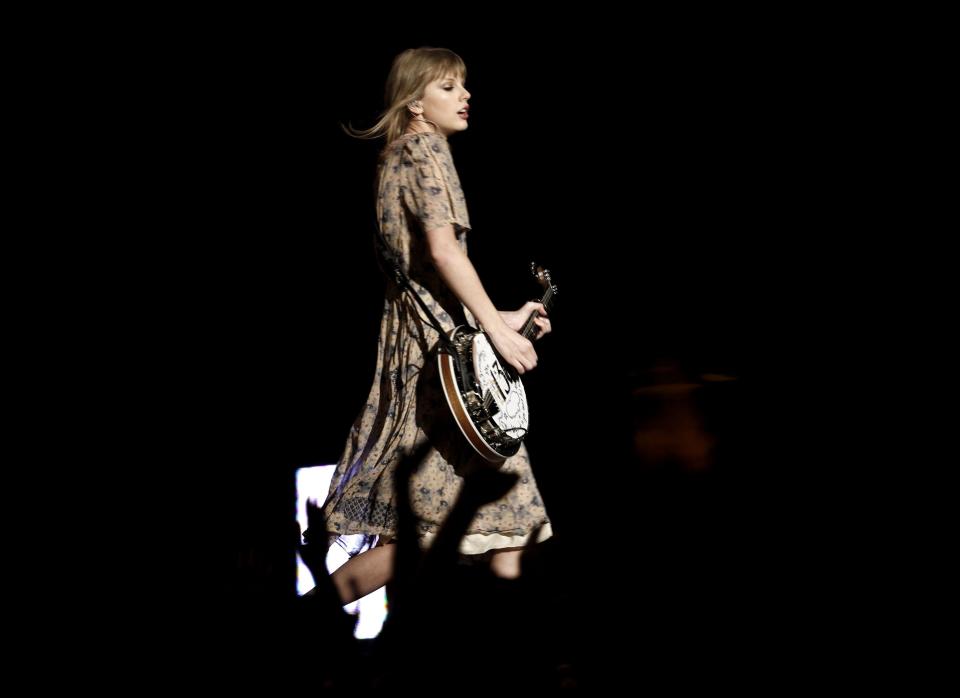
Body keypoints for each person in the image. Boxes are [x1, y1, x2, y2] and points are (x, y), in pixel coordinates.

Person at [320, 47, 553, 605]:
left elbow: (424, 280)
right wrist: (497, 335)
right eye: (448, 86)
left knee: (455, 535)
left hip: (425, 353)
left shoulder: (394, 157)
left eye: (462, 86)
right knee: (500, 524)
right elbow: (445, 254)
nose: (465, 95)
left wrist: (504, 316)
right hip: (451, 371)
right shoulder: (425, 148)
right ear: (416, 102)